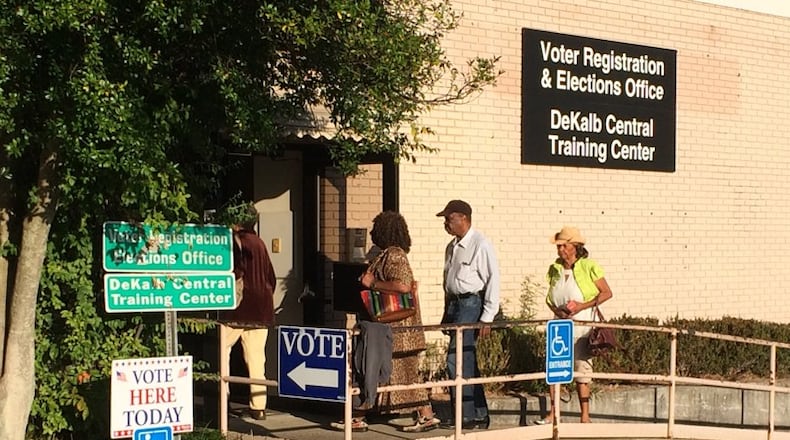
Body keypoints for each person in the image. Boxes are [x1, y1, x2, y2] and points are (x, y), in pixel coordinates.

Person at [330, 211, 440, 433]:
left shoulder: (395, 255)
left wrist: (372, 283)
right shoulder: (386, 255)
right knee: (377, 370)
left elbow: (403, 286)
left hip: (398, 329)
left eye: (376, 228)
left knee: (389, 372)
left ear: (385, 231)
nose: (371, 233)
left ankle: (362, 416)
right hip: (391, 329)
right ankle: (360, 415)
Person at [535, 226, 613, 425]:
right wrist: (556, 308)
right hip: (559, 326)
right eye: (559, 246)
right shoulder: (556, 269)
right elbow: (549, 297)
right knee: (554, 368)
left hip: (581, 326)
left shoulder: (588, 266)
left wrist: (581, 306)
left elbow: (606, 292)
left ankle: (585, 416)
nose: (560, 250)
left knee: (582, 370)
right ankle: (553, 413)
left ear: (575, 247)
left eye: (564, 246)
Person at [437, 200, 500, 430]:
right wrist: (447, 312)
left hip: (472, 303)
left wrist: (487, 316)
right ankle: (479, 413)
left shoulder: (480, 244)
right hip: (456, 304)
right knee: (467, 360)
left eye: (449, 218)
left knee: (457, 358)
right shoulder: (451, 247)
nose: (446, 223)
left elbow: (493, 278)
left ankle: (465, 416)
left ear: (463, 218)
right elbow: (448, 280)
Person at [218, 203, 277, 421]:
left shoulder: (235, 242)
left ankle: (222, 400)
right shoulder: (259, 243)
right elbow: (271, 276)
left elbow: (236, 271)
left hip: (238, 308)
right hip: (262, 309)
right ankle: (258, 406)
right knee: (256, 359)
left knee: (222, 351)